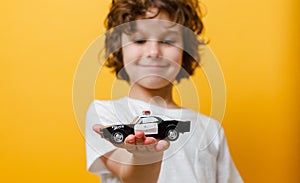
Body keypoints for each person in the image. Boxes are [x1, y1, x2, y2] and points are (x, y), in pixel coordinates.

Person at [85, 0, 243, 182]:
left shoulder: (211, 130)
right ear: (119, 49)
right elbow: (129, 174)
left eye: (167, 41)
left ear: (186, 50)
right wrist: (145, 156)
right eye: (139, 40)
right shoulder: (105, 113)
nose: (153, 51)